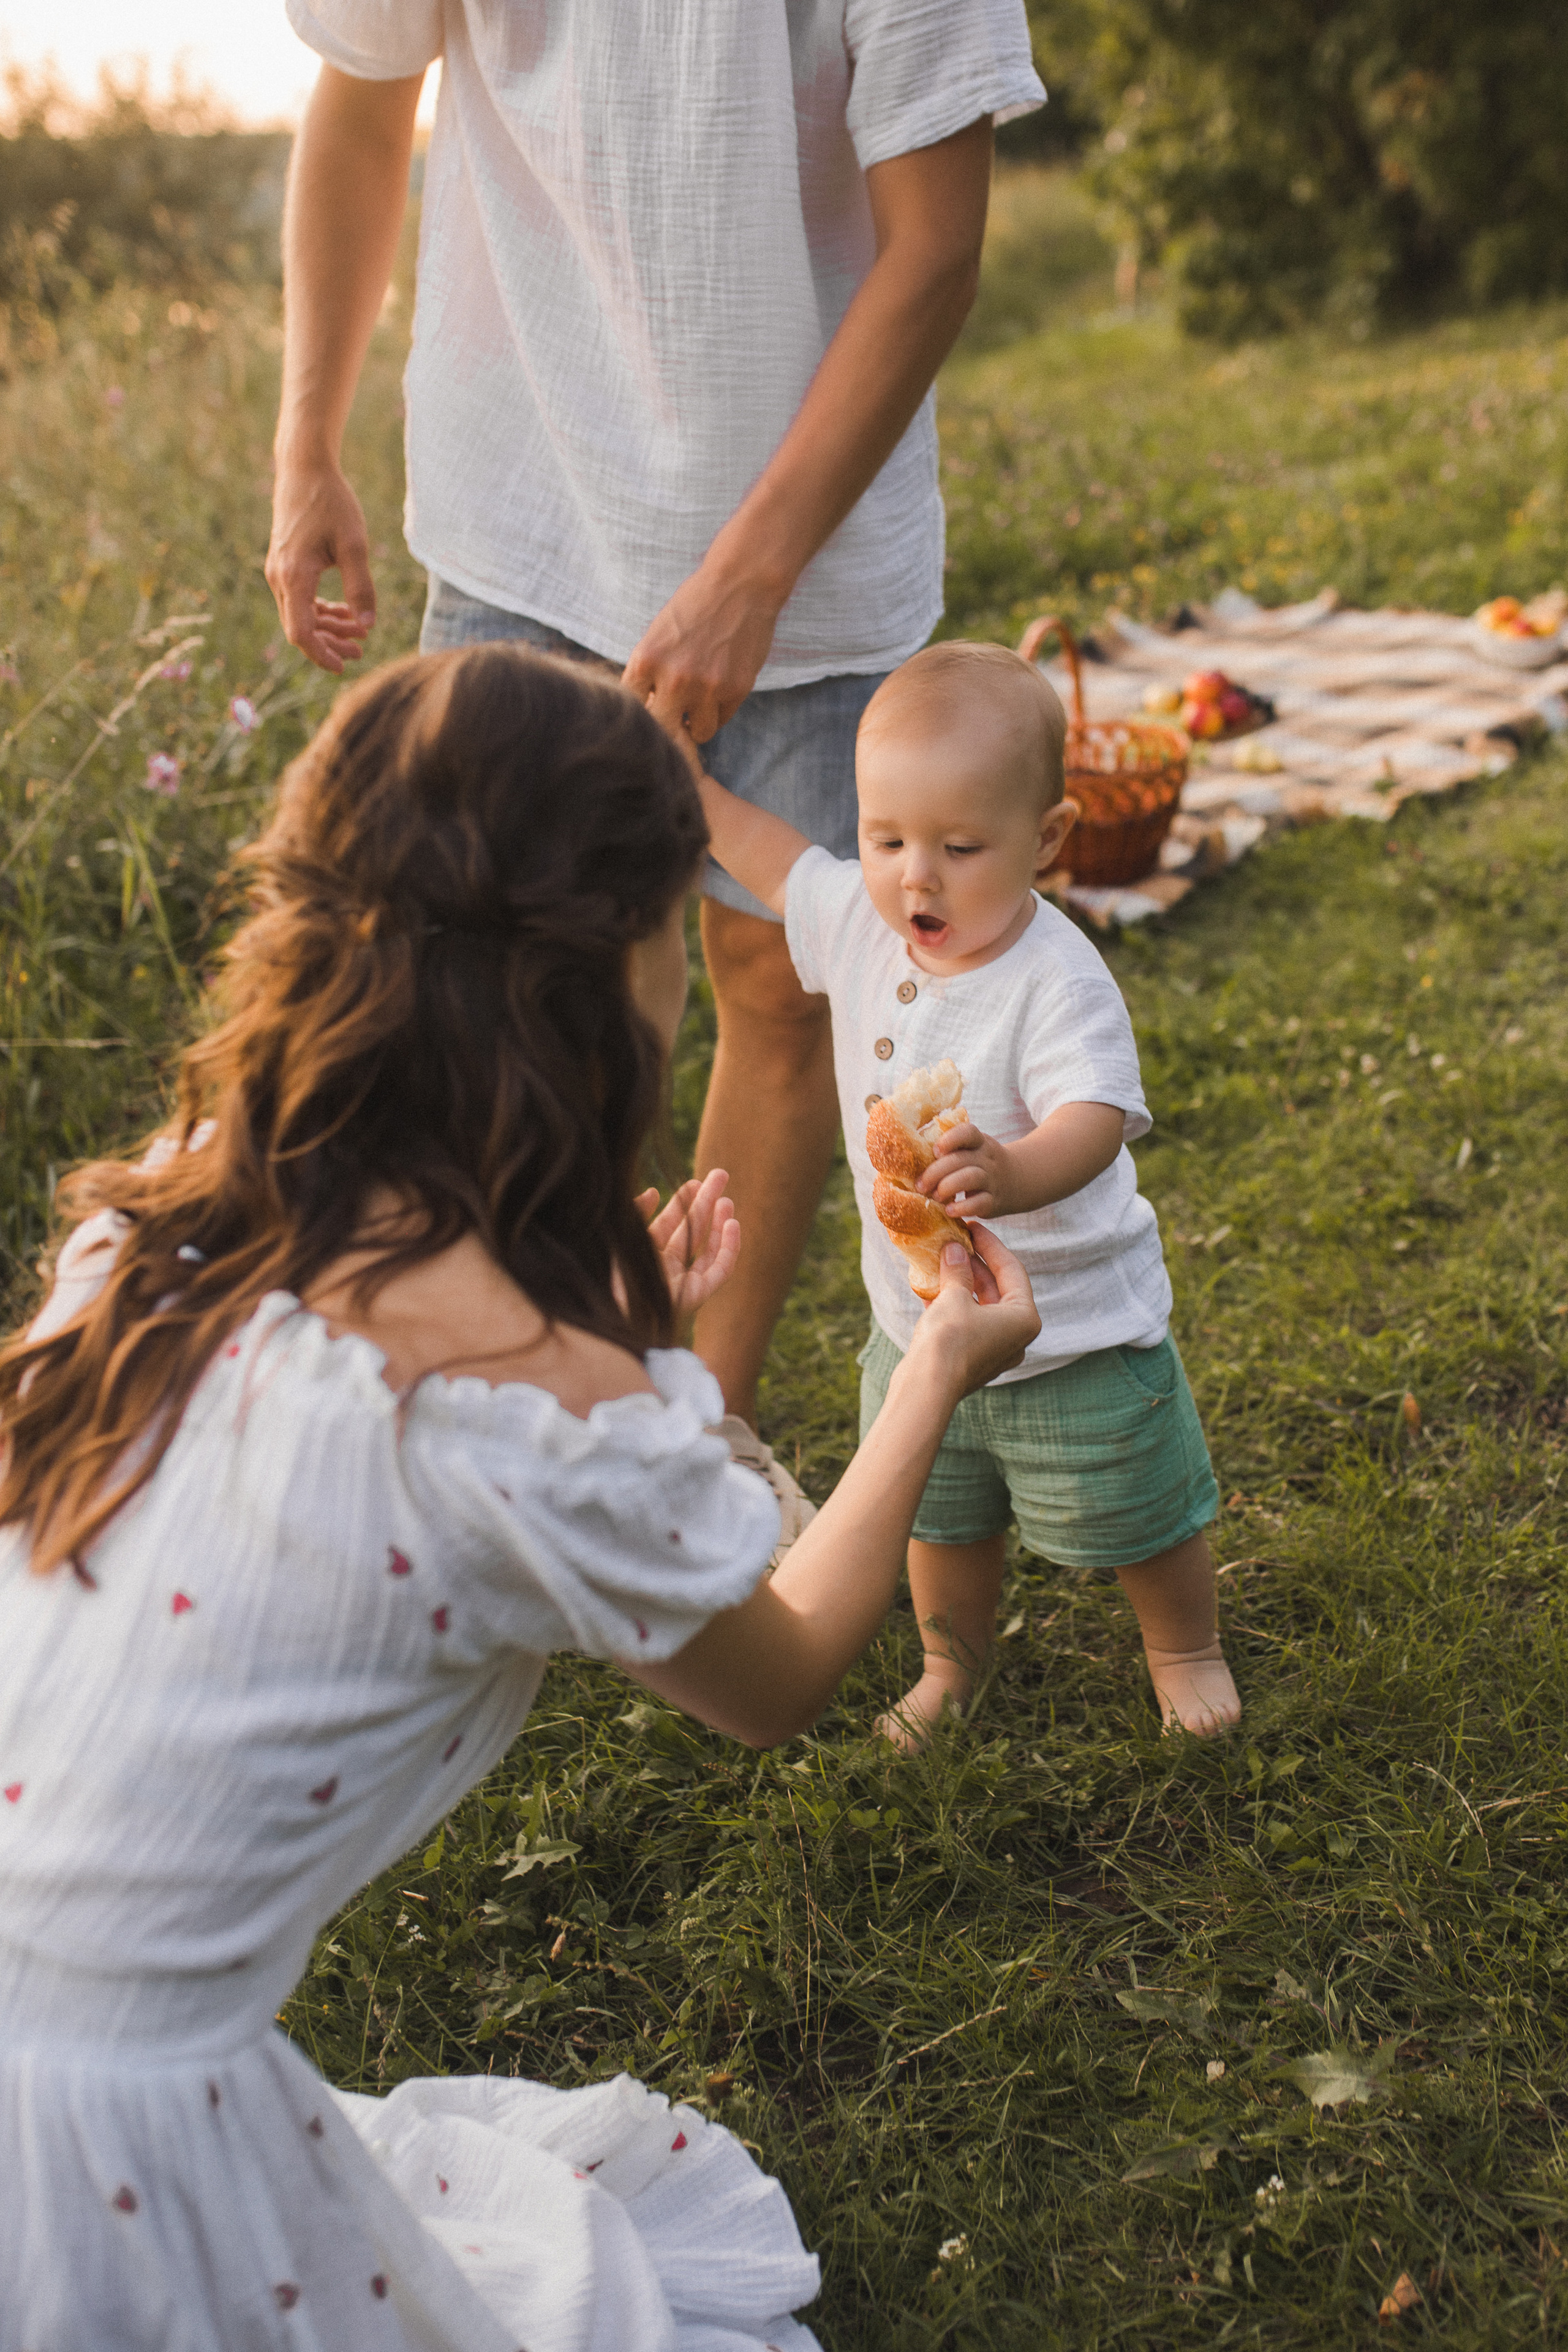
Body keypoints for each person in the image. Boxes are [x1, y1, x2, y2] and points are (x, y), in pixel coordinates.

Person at [0, 647, 1038, 2351]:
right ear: (616, 975)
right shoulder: (531, 1412)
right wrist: (931, 1369)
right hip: (91, 2148)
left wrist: (607, 1343)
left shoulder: (156, 1238)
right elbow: (773, 1683)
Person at [265, 1, 1047, 1480]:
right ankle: (516, 1403)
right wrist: (306, 443)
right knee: (512, 972)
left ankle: (685, 1436)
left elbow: (933, 246)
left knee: (776, 974)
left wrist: (746, 579)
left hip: (812, 552)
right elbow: (362, 107)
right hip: (523, 506)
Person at [688, 638, 1242, 1749]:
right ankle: (953, 1661)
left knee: (1137, 1504)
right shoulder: (861, 925)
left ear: (1046, 842)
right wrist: (682, 782)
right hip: (921, 1327)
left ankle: (1184, 1645)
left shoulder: (1054, 975)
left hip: (1074, 1333)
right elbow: (773, 858)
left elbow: (1095, 1116)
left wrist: (1013, 1168)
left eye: (958, 846)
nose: (914, 877)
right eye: (885, 838)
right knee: (937, 1513)